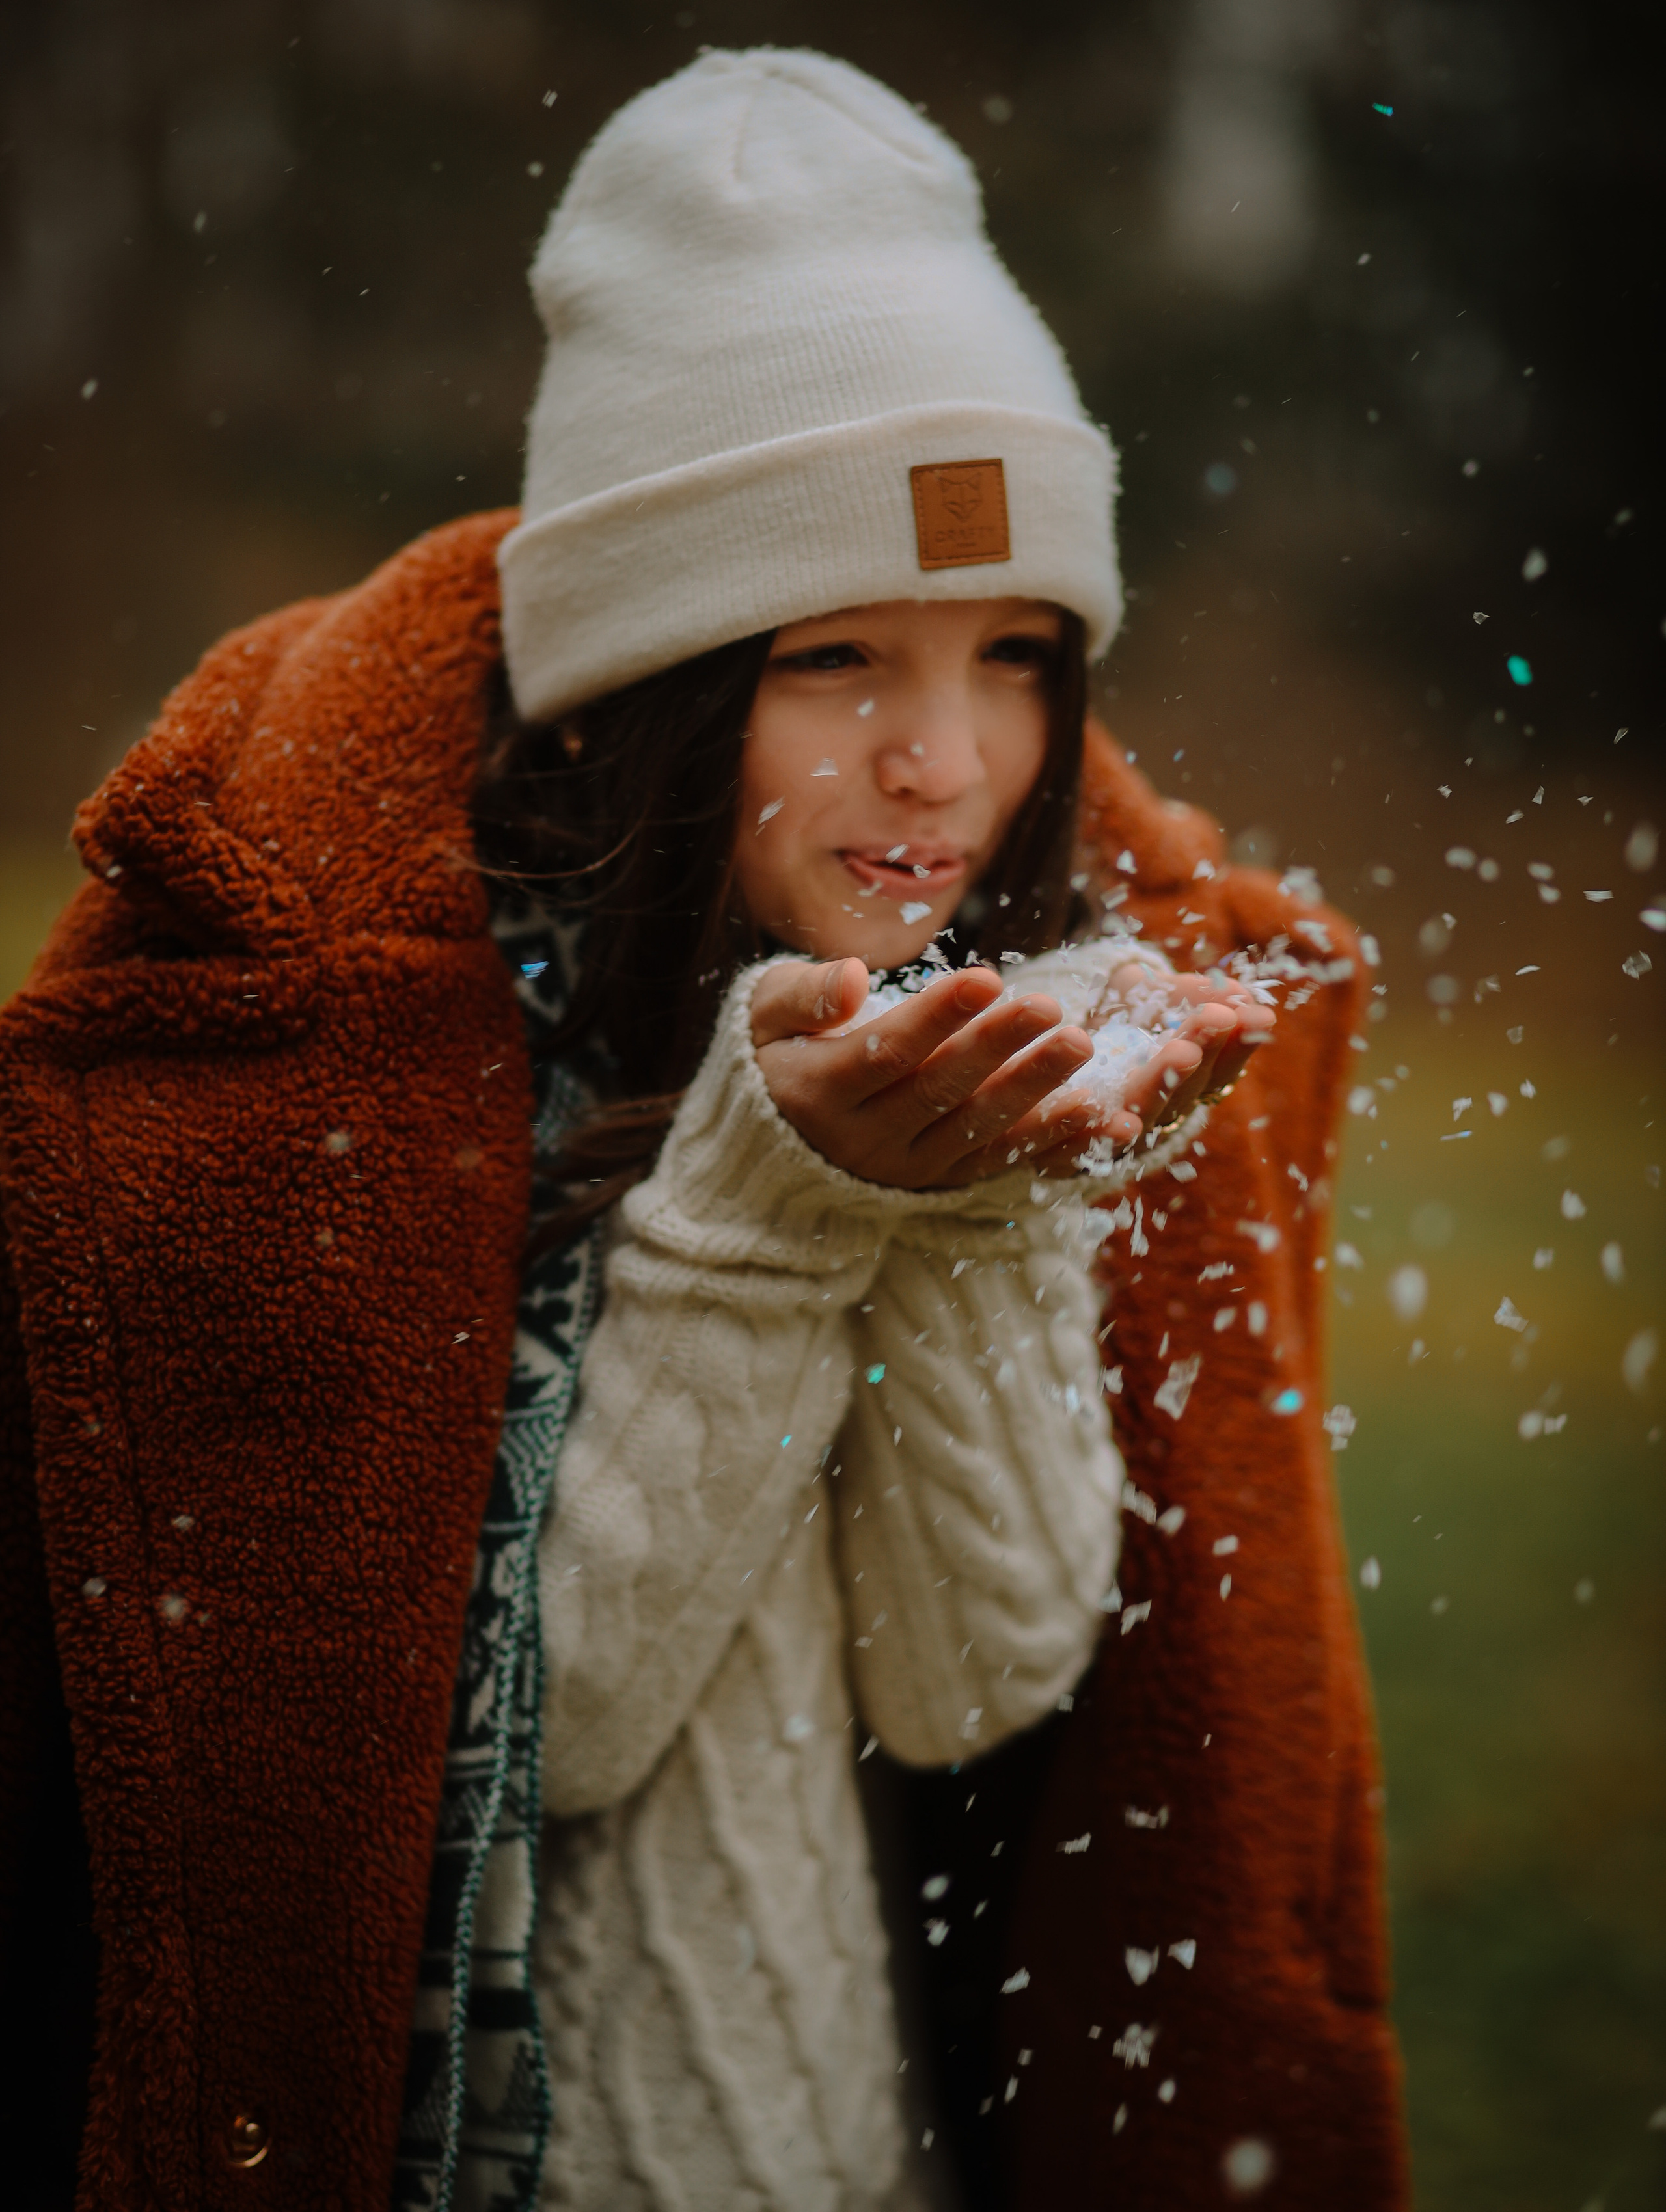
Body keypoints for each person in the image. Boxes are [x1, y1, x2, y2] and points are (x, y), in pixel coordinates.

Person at [0, 47, 1406, 2212]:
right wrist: (768, 1215)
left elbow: (976, 1683)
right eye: (840, 654)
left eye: (1016, 657)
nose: (947, 759)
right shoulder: (347, 1082)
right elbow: (539, 1744)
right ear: (651, 683)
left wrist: (968, 1212)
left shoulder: (1048, 1017)